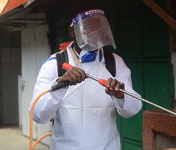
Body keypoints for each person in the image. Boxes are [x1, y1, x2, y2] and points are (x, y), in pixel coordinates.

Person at [31, 8, 142, 150]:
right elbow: (38, 115)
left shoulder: (114, 62)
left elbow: (132, 110)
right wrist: (60, 85)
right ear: (72, 32)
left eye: (99, 27)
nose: (96, 33)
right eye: (89, 28)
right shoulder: (54, 64)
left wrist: (121, 94)